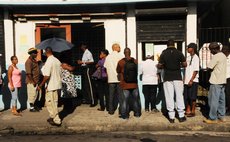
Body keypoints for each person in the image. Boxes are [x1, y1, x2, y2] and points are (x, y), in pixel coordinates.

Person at [157, 39, 187, 123]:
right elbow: (185, 64)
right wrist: (178, 64)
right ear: (174, 44)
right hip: (177, 77)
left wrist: (162, 65)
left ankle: (171, 117)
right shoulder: (179, 53)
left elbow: (159, 66)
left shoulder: (163, 54)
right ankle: (181, 116)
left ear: (167, 45)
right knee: (179, 96)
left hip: (167, 77)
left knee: (169, 96)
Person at [37, 47, 62, 126]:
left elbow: (47, 76)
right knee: (54, 102)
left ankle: (56, 120)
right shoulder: (57, 60)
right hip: (56, 84)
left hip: (51, 85)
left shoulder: (49, 61)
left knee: (51, 103)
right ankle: (52, 117)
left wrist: (40, 85)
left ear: (46, 52)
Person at [203, 42, 227, 124]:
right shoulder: (223, 55)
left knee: (213, 100)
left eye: (211, 50)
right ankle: (221, 116)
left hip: (215, 81)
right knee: (221, 100)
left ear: (214, 49)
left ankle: (213, 118)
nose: (210, 52)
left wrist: (204, 70)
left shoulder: (216, 56)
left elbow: (209, 67)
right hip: (222, 80)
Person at [117, 48, 141, 119]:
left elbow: (117, 70)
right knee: (136, 100)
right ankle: (137, 114)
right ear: (130, 53)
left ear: (124, 53)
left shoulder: (121, 62)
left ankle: (125, 115)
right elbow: (137, 70)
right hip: (134, 84)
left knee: (125, 100)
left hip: (125, 84)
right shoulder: (135, 61)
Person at [104, 43, 123, 115]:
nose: (120, 48)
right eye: (119, 47)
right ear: (116, 48)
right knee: (120, 96)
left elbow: (105, 67)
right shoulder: (121, 56)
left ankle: (111, 110)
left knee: (111, 95)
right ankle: (121, 111)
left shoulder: (108, 57)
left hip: (111, 79)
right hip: (119, 78)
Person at [77, 42, 96, 107]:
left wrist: (82, 62)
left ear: (84, 46)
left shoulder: (88, 53)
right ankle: (88, 99)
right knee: (85, 85)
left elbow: (92, 61)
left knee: (89, 85)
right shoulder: (84, 53)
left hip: (87, 69)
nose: (81, 47)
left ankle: (93, 101)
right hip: (84, 69)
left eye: (82, 46)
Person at [183, 43, 199, 117]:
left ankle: (193, 111)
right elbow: (186, 68)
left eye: (188, 48)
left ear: (192, 48)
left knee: (192, 97)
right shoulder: (188, 57)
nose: (187, 49)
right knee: (187, 96)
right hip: (186, 80)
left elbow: (196, 70)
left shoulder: (196, 58)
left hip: (193, 80)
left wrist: (191, 80)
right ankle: (188, 109)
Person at [25, 47, 41, 112]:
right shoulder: (28, 62)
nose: (36, 54)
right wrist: (33, 81)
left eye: (36, 53)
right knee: (31, 94)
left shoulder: (34, 60)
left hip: (36, 80)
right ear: (31, 54)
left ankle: (34, 106)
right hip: (31, 81)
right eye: (35, 53)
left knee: (36, 94)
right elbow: (28, 73)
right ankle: (31, 108)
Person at [222, 45, 230, 115]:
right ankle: (225, 107)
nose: (223, 51)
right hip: (223, 78)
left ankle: (228, 109)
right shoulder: (223, 58)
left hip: (229, 78)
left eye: (224, 50)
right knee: (224, 94)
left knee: (228, 94)